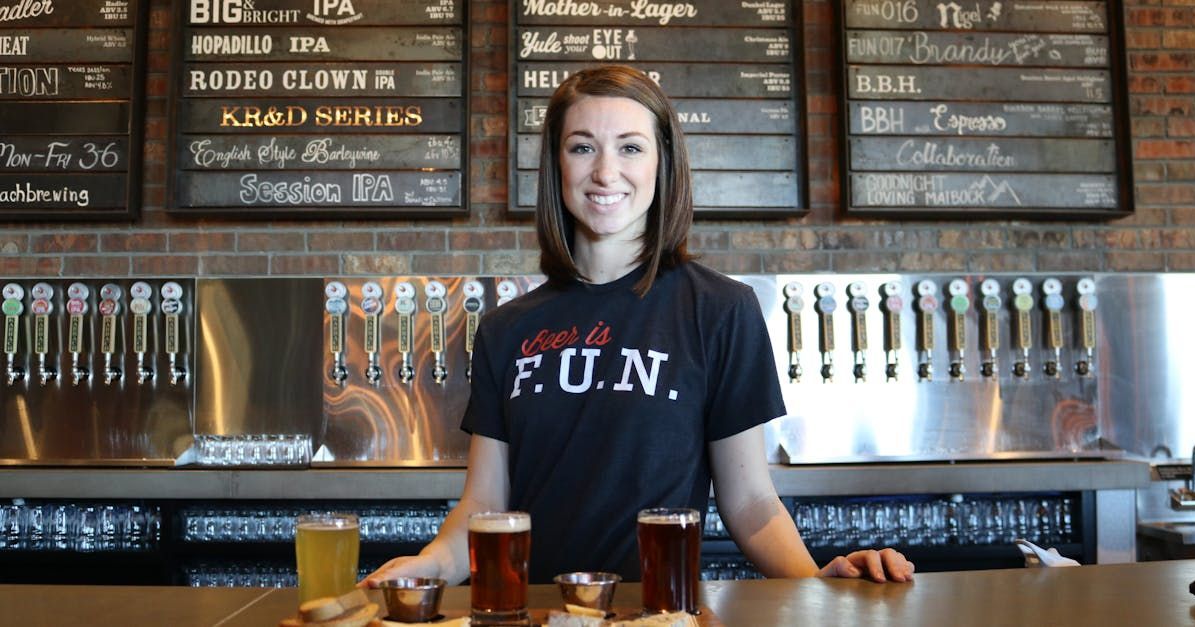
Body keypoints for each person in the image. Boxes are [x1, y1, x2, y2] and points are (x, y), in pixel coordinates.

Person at [363, 65, 914, 587]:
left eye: (630, 147)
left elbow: (749, 502)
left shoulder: (721, 311)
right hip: (538, 613)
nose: (605, 172)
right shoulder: (507, 329)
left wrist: (815, 581)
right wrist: (429, 564)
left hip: (660, 612)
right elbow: (484, 505)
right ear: (557, 164)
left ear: (661, 163)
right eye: (582, 147)